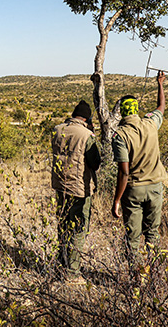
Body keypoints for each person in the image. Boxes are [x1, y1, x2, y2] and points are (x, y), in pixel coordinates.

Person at [111, 71, 167, 258]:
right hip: (155, 188)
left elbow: (124, 172)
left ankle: (135, 278)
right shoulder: (151, 124)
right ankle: (154, 274)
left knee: (133, 237)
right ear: (135, 109)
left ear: (121, 112)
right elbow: (161, 106)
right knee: (153, 234)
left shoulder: (120, 135)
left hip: (133, 190)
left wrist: (117, 199)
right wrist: (160, 84)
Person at [51, 100, 101, 282]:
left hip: (60, 186)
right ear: (87, 118)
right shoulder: (87, 135)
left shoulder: (57, 130)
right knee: (79, 230)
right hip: (79, 188)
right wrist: (93, 133)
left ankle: (60, 264)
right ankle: (72, 273)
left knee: (63, 226)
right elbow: (95, 163)